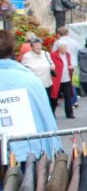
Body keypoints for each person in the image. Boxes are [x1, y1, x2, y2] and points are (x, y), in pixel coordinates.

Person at [0, 31, 61, 160]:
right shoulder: (29, 79)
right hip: (30, 152)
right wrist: (54, 148)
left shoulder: (29, 78)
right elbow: (46, 118)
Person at [20, 37, 55, 109]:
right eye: (35, 45)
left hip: (46, 83)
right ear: (32, 47)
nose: (38, 47)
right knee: (38, 104)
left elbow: (51, 63)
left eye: (39, 45)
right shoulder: (27, 56)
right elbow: (23, 70)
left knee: (48, 102)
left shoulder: (46, 54)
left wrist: (52, 66)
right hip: (35, 85)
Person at [55, 26, 80, 107]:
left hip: (63, 65)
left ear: (59, 34)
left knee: (67, 84)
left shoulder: (58, 43)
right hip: (74, 64)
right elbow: (78, 53)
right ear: (68, 33)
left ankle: (72, 101)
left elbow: (54, 53)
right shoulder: (74, 42)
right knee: (73, 83)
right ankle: (74, 100)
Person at [50, 41, 75, 118]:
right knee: (54, 97)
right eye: (63, 47)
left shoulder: (68, 55)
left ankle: (69, 113)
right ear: (59, 48)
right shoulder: (53, 55)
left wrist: (71, 67)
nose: (65, 49)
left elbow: (69, 64)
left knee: (68, 97)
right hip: (57, 80)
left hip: (66, 79)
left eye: (65, 47)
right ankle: (51, 113)